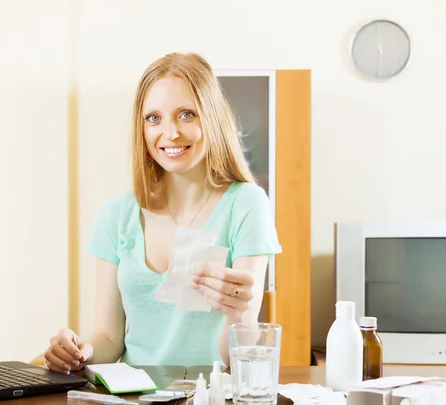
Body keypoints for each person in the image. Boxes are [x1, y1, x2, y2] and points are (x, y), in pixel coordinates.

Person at [44, 52, 281, 374]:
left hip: (209, 401)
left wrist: (237, 313)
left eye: (186, 115)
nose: (170, 133)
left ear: (212, 118)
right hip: (134, 404)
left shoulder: (247, 204)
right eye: (153, 118)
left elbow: (236, 357)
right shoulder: (117, 215)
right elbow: (109, 337)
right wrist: (80, 352)